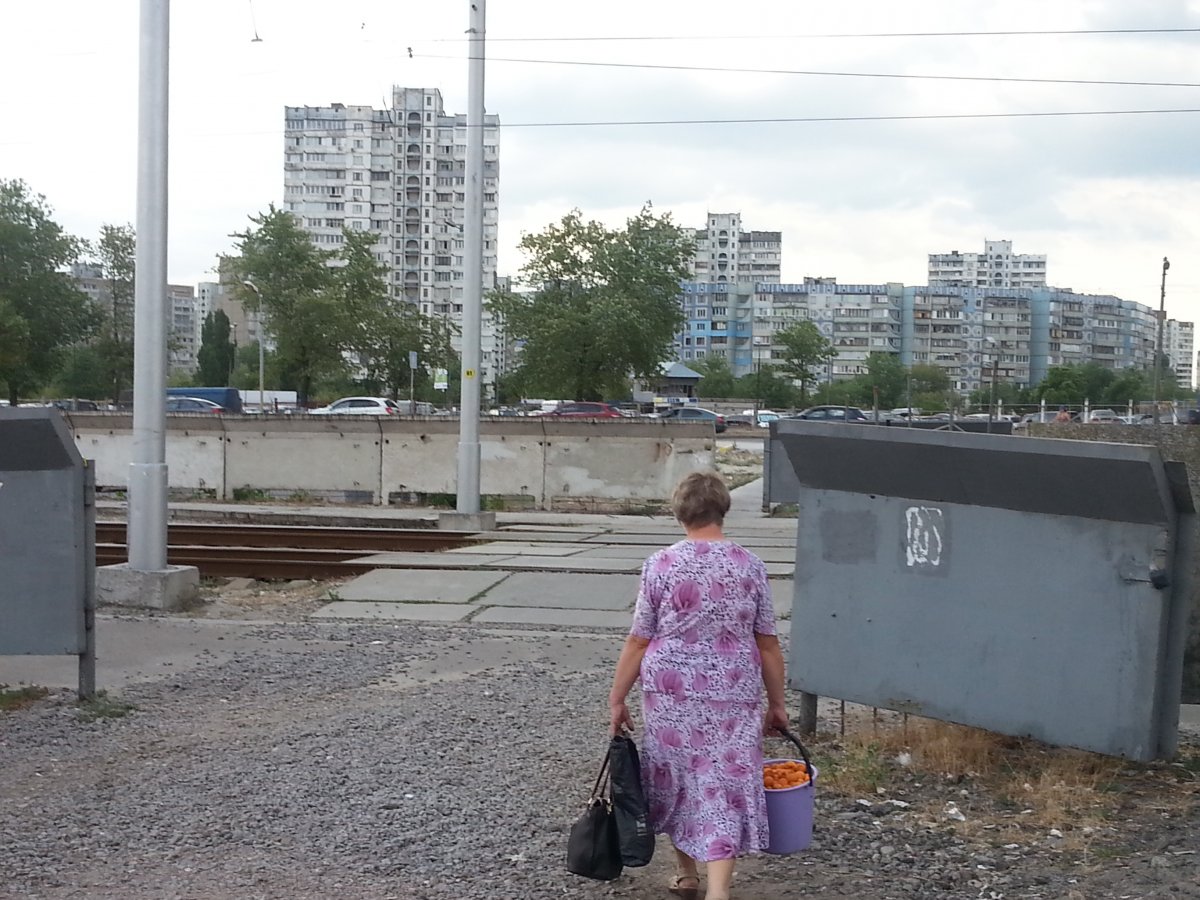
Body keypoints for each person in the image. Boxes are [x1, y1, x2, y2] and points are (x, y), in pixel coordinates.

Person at [608, 471, 788, 900]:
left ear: (680, 513)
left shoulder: (661, 564)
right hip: (733, 691)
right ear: (722, 509)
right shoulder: (750, 565)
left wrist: (617, 698)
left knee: (677, 775)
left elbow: (638, 639)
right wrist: (778, 703)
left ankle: (687, 873)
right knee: (722, 783)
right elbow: (767, 643)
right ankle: (718, 890)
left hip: (671, 691)